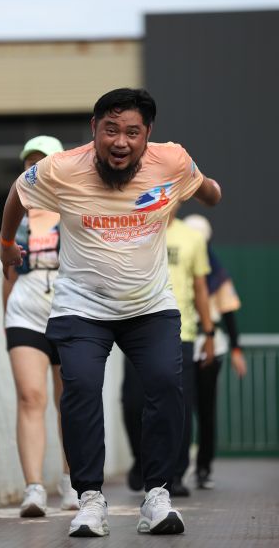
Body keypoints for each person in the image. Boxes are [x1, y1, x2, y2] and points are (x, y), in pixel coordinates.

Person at [0, 88, 221, 537]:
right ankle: (89, 499)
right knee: (80, 388)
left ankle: (156, 494)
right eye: (111, 130)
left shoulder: (172, 161)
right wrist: (6, 244)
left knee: (165, 384)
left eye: (132, 132)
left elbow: (206, 189)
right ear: (94, 129)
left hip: (149, 305)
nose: (121, 142)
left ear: (148, 134)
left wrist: (209, 191)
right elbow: (17, 193)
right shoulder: (61, 168)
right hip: (81, 306)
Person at [2, 135, 79, 517]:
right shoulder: (16, 215)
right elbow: (8, 272)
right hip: (26, 311)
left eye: (42, 162)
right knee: (31, 397)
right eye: (29, 163)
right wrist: (4, 318)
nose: (35, 170)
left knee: (71, 399)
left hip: (68, 309)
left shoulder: (77, 208)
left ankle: (73, 481)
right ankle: (33, 488)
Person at [122, 204, 215, 497]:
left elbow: (200, 287)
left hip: (181, 331)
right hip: (137, 328)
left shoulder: (192, 238)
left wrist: (209, 333)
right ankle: (141, 459)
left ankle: (174, 473)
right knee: (132, 402)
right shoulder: (136, 230)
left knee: (177, 405)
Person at [183, 214, 247, 490]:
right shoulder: (177, 267)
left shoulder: (218, 275)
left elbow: (229, 313)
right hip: (182, 341)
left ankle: (203, 467)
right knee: (179, 407)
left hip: (212, 345)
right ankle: (176, 467)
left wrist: (236, 350)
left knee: (206, 409)